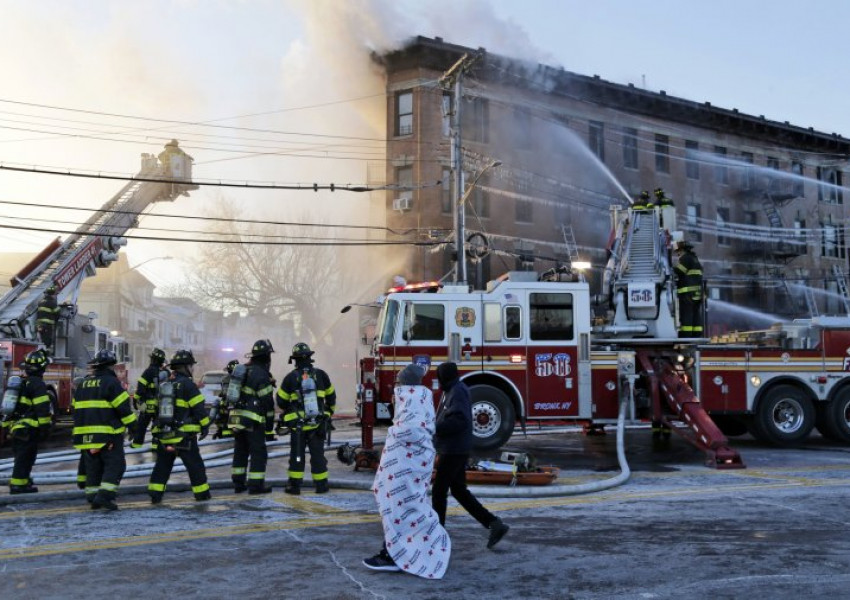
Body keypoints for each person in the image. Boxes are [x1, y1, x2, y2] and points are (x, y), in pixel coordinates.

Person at [364, 363, 451, 577]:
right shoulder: (423, 398)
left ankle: (395, 555)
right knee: (408, 508)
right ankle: (400, 550)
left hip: (405, 466)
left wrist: (393, 436)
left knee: (398, 510)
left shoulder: (409, 398)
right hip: (415, 464)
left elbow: (408, 431)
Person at [432, 361, 509, 550]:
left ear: (444, 377)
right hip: (457, 448)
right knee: (458, 491)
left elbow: (459, 420)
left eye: (439, 378)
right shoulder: (455, 389)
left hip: (453, 449)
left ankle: (437, 535)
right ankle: (494, 524)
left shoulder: (456, 392)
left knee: (439, 491)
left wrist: (434, 427)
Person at [72, 349, 137, 510]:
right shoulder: (111, 383)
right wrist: (134, 428)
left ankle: (93, 496)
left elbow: (75, 408)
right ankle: (104, 496)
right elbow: (124, 410)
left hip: (85, 436)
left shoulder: (83, 384)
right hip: (108, 434)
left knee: (93, 467)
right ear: (110, 366)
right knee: (116, 465)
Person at [147, 349, 211, 504]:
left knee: (162, 466)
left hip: (165, 435)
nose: (193, 369)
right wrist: (205, 426)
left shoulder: (165, 385)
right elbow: (199, 409)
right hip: (184, 437)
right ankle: (202, 494)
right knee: (195, 466)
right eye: (191, 366)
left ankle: (155, 494)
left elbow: (155, 410)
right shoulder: (188, 385)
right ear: (186, 367)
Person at [276, 342, 336, 495]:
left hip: (298, 427)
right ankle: (321, 485)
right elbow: (331, 397)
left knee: (297, 456)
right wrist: (328, 414)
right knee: (318, 456)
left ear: (294, 360)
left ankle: (294, 486)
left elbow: (281, 401)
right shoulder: (321, 375)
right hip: (317, 424)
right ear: (310, 357)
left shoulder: (290, 378)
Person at [229, 340, 277, 494]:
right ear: (266, 357)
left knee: (240, 451)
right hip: (253, 421)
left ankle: (238, 483)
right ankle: (256, 485)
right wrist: (269, 428)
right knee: (258, 453)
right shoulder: (262, 374)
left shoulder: (243, 370)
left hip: (236, 418)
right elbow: (268, 404)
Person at [4, 349, 53, 494]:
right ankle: (18, 485)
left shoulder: (22, 383)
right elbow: (42, 408)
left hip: (17, 428)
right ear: (42, 367)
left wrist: (7, 428)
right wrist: (45, 427)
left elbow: (12, 410)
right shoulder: (37, 384)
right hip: (28, 429)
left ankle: (23, 481)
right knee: (25, 458)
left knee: (22, 457)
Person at [130, 348, 169, 448]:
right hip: (160, 406)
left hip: (147, 406)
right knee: (158, 426)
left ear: (153, 359)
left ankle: (137, 445)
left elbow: (141, 388)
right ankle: (156, 445)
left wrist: (135, 399)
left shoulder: (148, 372)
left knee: (141, 426)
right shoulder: (165, 373)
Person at [674, 241, 705, 338]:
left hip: (687, 293)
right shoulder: (695, 259)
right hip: (697, 293)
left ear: (682, 250)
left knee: (686, 315)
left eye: (678, 252)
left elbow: (679, 271)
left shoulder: (685, 258)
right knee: (696, 314)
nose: (678, 254)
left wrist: (671, 269)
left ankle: (686, 335)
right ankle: (696, 334)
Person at [211, 359, 240, 440]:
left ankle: (222, 434)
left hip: (226, 408)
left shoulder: (225, 379)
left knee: (224, 423)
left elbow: (224, 392)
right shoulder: (241, 380)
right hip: (234, 409)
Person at [35, 285, 60, 353]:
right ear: (53, 294)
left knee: (41, 340)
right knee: (47, 341)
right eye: (55, 294)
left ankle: (41, 352)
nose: (56, 296)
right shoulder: (52, 302)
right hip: (47, 325)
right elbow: (57, 313)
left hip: (39, 325)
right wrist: (56, 321)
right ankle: (46, 354)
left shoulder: (41, 302)